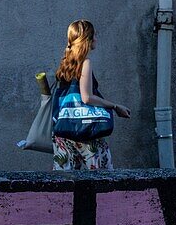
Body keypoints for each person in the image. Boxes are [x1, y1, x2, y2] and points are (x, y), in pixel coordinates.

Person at [52, 19, 130, 170]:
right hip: (85, 130)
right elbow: (86, 97)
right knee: (103, 178)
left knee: (64, 182)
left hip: (64, 129)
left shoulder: (65, 62)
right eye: (94, 35)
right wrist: (114, 106)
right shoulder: (85, 63)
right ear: (86, 39)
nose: (96, 39)